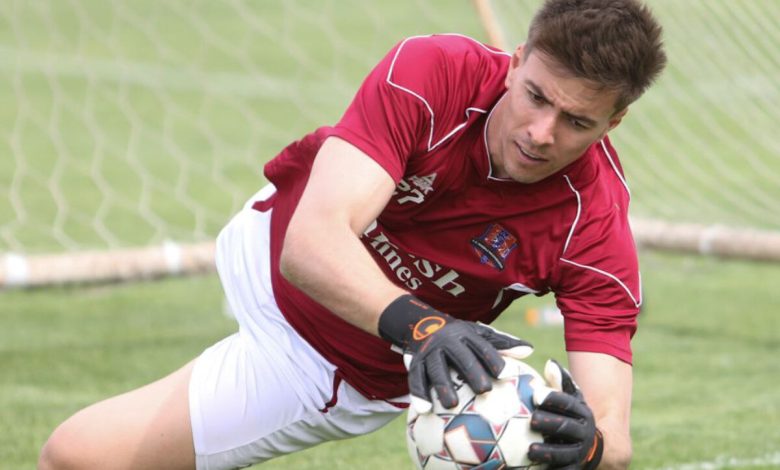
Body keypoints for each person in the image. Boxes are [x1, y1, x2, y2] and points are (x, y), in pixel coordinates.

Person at [38, 0, 666, 469]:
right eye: (536, 97)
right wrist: (426, 327)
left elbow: (613, 438)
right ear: (516, 62)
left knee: (75, 457)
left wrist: (589, 447)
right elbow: (310, 244)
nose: (540, 133)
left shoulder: (594, 228)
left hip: (320, 362)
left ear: (614, 122)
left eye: (577, 121)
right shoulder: (434, 70)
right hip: (265, 231)